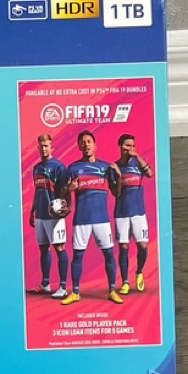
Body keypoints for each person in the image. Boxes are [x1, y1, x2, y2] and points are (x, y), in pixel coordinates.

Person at [60, 131, 122, 306]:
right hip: (81, 220)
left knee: (109, 254)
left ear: (95, 145)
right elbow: (61, 192)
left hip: (102, 220)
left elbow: (117, 193)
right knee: (78, 256)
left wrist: (118, 176)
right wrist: (69, 189)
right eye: (83, 142)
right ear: (79, 146)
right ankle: (75, 293)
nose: (86, 144)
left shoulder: (106, 168)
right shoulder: (72, 168)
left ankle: (112, 291)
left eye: (89, 141)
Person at [28, 133, 70, 298]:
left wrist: (66, 209)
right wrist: (32, 211)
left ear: (52, 147)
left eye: (46, 146)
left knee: (59, 248)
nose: (44, 149)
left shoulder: (59, 167)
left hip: (54, 215)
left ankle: (63, 287)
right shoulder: (36, 168)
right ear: (38, 148)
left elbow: (66, 190)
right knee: (43, 248)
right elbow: (37, 190)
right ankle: (45, 284)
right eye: (41, 146)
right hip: (40, 214)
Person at [113, 133, 153, 294]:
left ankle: (139, 272)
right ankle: (125, 282)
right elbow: (115, 193)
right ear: (120, 147)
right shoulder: (114, 166)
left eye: (133, 146)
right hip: (122, 213)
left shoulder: (139, 163)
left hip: (138, 212)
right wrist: (117, 176)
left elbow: (150, 174)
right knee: (124, 247)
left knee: (142, 246)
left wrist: (137, 156)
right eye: (128, 146)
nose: (131, 149)